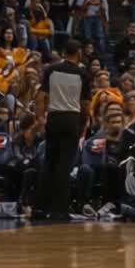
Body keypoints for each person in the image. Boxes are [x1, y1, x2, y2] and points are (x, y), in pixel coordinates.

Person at [35, 39, 90, 220]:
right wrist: (83, 125)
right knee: (64, 166)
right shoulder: (82, 74)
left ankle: (41, 207)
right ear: (79, 53)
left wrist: (41, 118)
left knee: (49, 162)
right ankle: (60, 210)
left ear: (63, 52)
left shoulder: (50, 70)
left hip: (54, 117)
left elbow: (41, 97)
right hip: (71, 118)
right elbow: (85, 105)